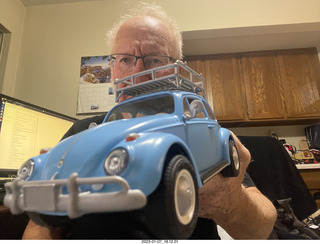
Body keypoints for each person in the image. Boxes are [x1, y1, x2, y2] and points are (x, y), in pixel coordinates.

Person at [22, 2, 277, 239]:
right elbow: (41, 225)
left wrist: (231, 204)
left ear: (177, 68)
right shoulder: (82, 131)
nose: (138, 73)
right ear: (112, 69)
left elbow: (262, 227)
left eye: (154, 59)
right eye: (124, 59)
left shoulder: (198, 126)